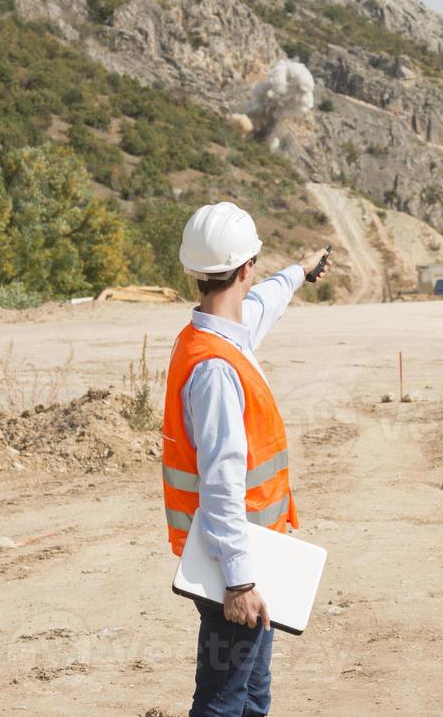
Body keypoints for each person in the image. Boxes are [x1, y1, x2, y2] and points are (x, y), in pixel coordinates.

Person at [160, 201, 331, 717]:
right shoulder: (215, 370)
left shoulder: (210, 337)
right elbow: (221, 482)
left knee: (253, 696)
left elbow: (261, 305)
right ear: (245, 266)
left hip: (251, 555)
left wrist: (299, 271)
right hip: (230, 565)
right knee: (223, 702)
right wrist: (240, 582)